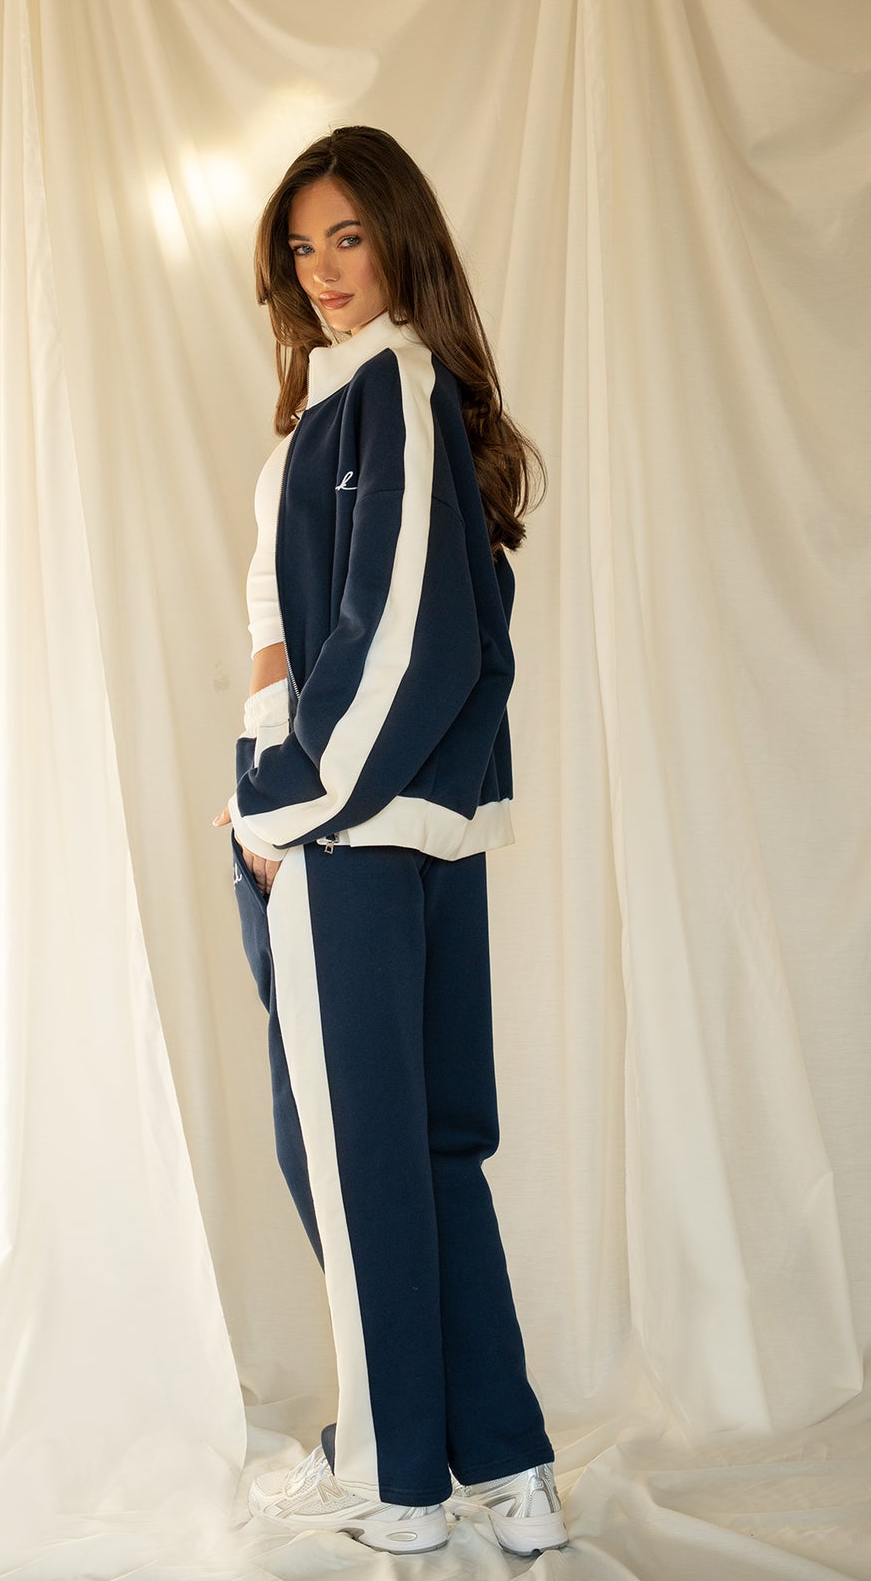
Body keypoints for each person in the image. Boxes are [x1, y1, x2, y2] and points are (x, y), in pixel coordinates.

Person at [212, 125, 567, 1558]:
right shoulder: (345, 409)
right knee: (426, 1153)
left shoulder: (391, 390)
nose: (322, 270)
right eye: (302, 249)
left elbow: (396, 639)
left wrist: (278, 799)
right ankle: (509, 1473)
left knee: (358, 1159)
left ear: (400, 238)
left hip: (341, 835)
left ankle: (399, 1481)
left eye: (346, 237)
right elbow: (288, 626)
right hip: (401, 832)